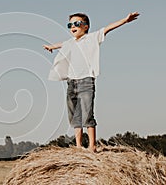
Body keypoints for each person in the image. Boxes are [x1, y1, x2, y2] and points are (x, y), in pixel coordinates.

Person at [43, 12, 139, 152]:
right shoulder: (69, 43)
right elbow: (61, 44)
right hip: (71, 83)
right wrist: (51, 47)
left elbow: (107, 28)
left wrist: (125, 20)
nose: (73, 27)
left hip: (86, 82)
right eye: (70, 25)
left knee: (87, 113)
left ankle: (92, 145)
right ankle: (78, 146)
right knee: (75, 115)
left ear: (86, 26)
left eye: (77, 23)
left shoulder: (92, 38)